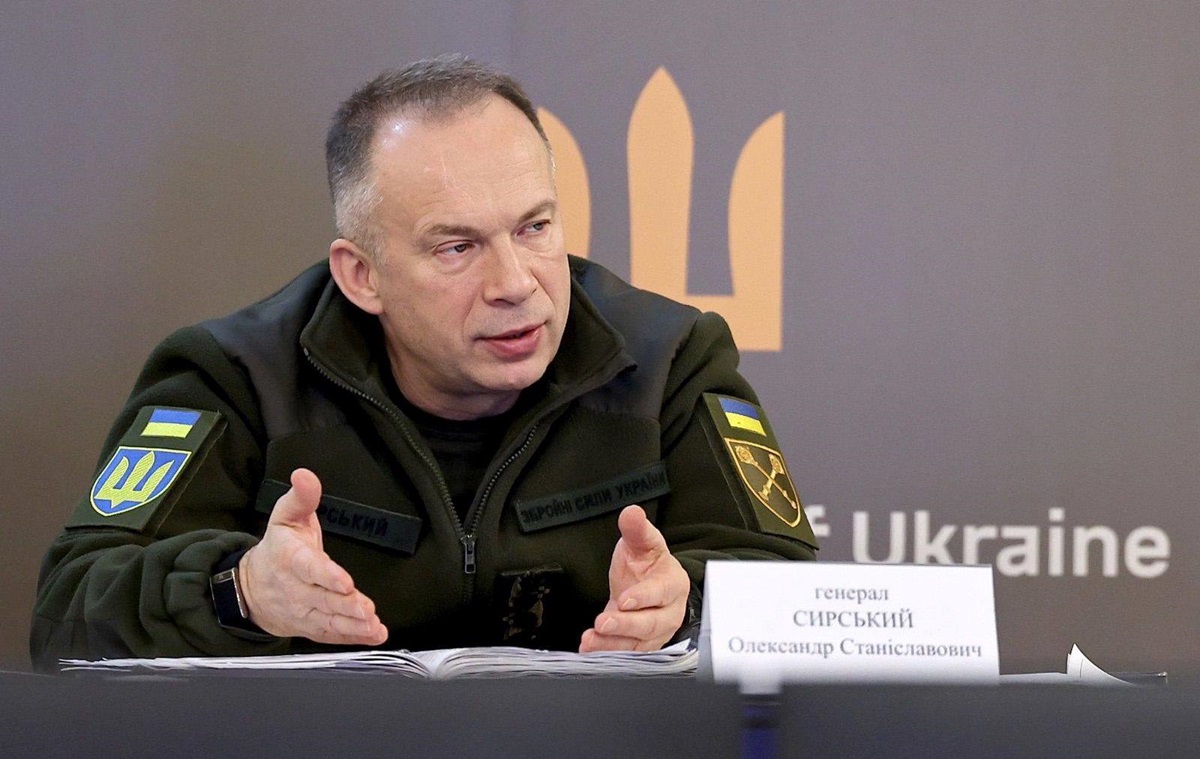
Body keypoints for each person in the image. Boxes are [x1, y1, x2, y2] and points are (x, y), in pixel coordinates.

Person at [31, 54, 817, 670]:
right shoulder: (237, 377)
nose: (516, 284)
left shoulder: (668, 360)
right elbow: (66, 613)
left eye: (535, 227)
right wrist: (240, 592)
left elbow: (797, 603)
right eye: (457, 247)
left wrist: (688, 605)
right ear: (361, 275)